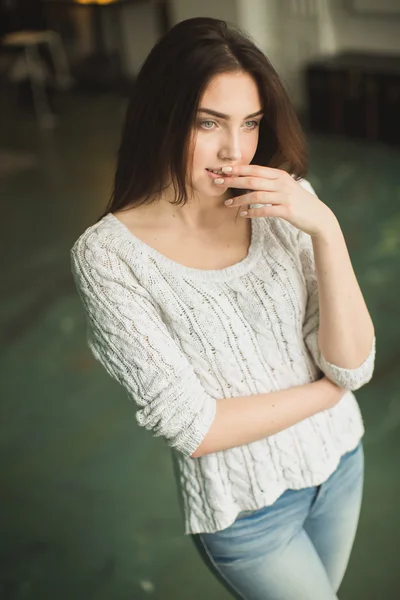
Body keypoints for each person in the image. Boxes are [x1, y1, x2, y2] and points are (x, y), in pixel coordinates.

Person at [71, 17, 376, 600]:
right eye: (207, 122)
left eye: (250, 123)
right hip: (246, 513)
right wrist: (327, 393)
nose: (233, 151)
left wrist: (325, 229)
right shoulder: (108, 257)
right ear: (162, 115)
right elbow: (195, 426)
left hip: (340, 462)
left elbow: (352, 361)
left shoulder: (289, 204)